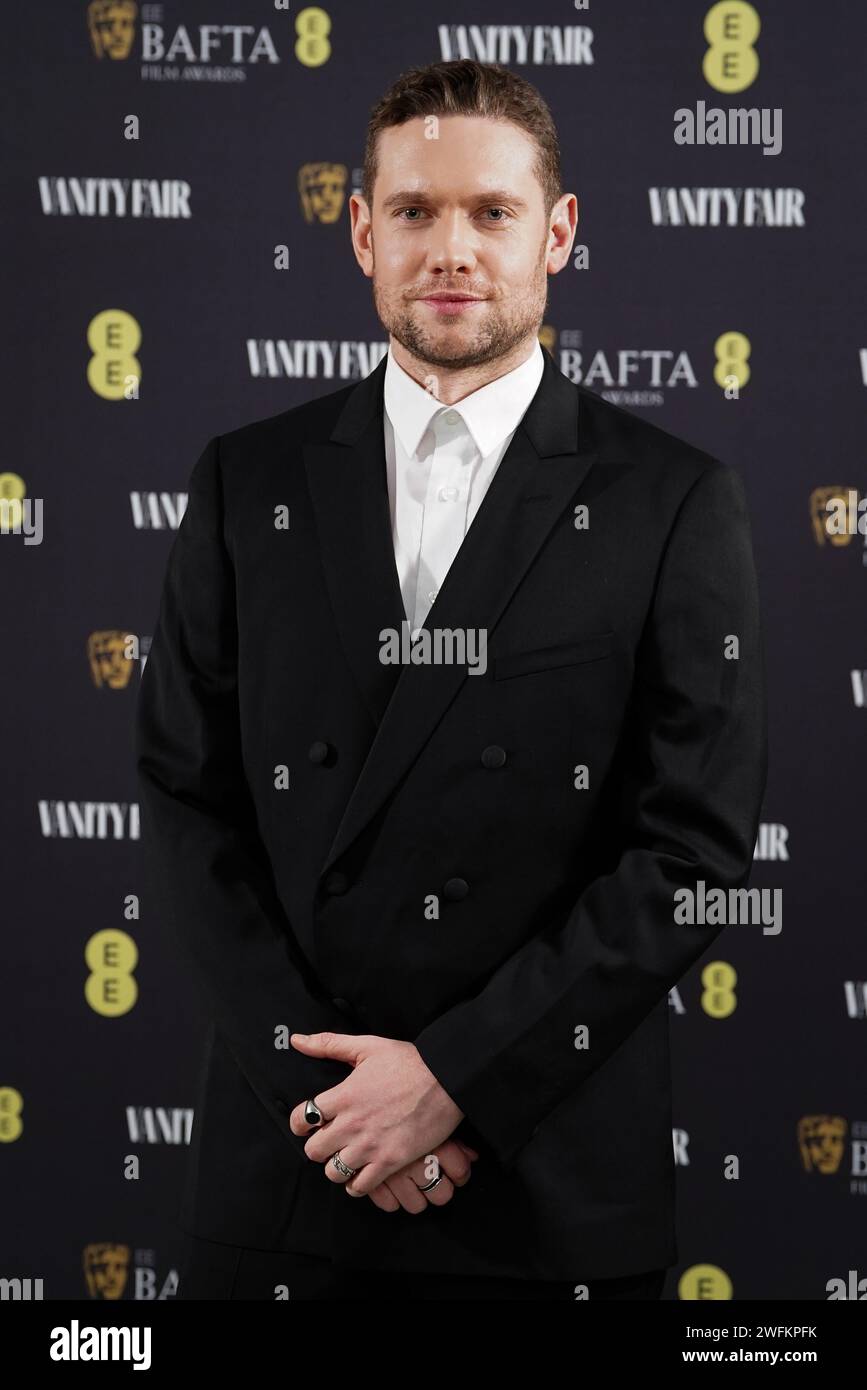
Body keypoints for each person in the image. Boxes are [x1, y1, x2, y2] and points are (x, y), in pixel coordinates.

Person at [136, 58, 767, 1301]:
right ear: (363, 231)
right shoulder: (243, 482)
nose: (452, 249)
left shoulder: (672, 500)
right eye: (415, 212)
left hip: (548, 1183)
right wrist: (337, 1105)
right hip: (293, 1173)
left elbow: (690, 852)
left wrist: (452, 1085)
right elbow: (184, 799)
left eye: (492, 212)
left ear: (560, 233)